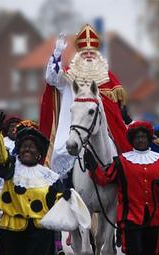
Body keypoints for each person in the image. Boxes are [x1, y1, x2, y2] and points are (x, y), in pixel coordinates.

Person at [40, 24, 132, 178]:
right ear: (79, 54)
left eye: (92, 52)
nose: (89, 55)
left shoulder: (106, 76)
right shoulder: (70, 75)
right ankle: (63, 188)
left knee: (122, 152)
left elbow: (115, 108)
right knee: (58, 152)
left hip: (103, 127)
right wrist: (57, 54)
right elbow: (51, 78)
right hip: (72, 125)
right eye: (84, 52)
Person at [85, 121, 159, 255]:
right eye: (137, 137)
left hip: (155, 217)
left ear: (149, 139)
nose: (140, 140)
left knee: (154, 253)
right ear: (132, 140)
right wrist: (93, 167)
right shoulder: (121, 161)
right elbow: (105, 178)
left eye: (143, 137)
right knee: (134, 253)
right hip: (130, 218)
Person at [0, 111, 72, 255]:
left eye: (31, 146)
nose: (27, 149)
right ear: (18, 150)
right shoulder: (11, 168)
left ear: (39, 153)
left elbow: (58, 202)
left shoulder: (50, 176)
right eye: (24, 146)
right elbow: (0, 156)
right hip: (12, 233)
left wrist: (66, 197)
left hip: (40, 236)